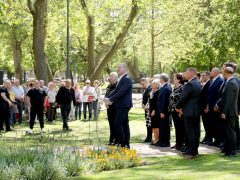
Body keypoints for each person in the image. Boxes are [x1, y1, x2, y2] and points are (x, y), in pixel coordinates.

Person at [105, 64, 133, 148]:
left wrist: (110, 99)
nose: (118, 69)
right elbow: (116, 91)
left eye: (119, 67)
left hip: (124, 105)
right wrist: (107, 98)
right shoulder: (122, 79)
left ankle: (122, 143)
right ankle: (125, 143)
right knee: (124, 124)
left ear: (124, 68)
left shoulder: (127, 78)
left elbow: (122, 91)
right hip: (120, 105)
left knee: (117, 123)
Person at [176, 68, 202, 158]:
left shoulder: (190, 84)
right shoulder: (197, 83)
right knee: (195, 131)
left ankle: (192, 151)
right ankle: (194, 150)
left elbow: (183, 98)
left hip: (189, 111)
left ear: (191, 73)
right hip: (196, 111)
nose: (184, 74)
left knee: (191, 132)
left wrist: (177, 107)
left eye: (186, 73)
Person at [216, 67, 239, 157]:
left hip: (230, 112)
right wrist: (218, 105)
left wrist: (224, 112)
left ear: (226, 72)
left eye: (222, 72)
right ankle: (228, 150)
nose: (222, 74)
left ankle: (232, 151)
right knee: (227, 132)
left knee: (231, 132)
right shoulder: (229, 82)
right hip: (228, 111)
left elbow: (229, 100)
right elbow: (224, 97)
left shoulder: (232, 83)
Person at [168, 73, 185, 150]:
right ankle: (177, 143)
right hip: (173, 110)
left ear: (178, 80)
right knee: (177, 127)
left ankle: (181, 144)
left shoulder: (182, 88)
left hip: (179, 111)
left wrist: (180, 110)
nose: (173, 80)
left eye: (175, 78)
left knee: (180, 127)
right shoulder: (174, 88)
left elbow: (182, 100)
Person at [208, 68, 224, 146]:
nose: (210, 73)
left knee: (218, 124)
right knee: (213, 124)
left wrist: (217, 105)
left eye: (211, 71)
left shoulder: (220, 80)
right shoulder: (213, 80)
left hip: (216, 106)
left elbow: (219, 95)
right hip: (211, 106)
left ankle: (220, 141)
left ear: (215, 72)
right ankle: (216, 140)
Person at [157, 73, 172, 147]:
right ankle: (161, 140)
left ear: (162, 79)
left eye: (160, 78)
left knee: (165, 127)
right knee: (161, 126)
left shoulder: (166, 88)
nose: (159, 79)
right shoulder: (163, 87)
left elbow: (165, 101)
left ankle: (166, 142)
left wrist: (162, 112)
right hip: (161, 111)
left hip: (164, 111)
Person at [105, 72, 118, 145]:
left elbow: (117, 96)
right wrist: (105, 102)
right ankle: (111, 139)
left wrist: (111, 102)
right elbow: (107, 95)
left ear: (115, 77)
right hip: (109, 108)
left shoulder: (117, 85)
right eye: (109, 76)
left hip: (115, 107)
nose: (109, 77)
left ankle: (116, 139)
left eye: (111, 76)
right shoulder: (109, 86)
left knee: (115, 124)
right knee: (111, 124)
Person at [200, 71, 211, 144]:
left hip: (206, 107)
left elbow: (208, 96)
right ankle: (207, 137)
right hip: (203, 107)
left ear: (207, 75)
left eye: (203, 75)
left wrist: (207, 106)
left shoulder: (209, 83)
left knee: (207, 123)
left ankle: (209, 138)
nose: (202, 76)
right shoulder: (205, 83)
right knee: (205, 123)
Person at [140, 78, 152, 143]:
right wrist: (142, 104)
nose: (142, 85)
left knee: (149, 124)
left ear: (146, 82)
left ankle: (149, 137)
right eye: (141, 84)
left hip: (149, 109)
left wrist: (146, 106)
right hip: (146, 109)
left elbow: (149, 99)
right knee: (147, 123)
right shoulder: (145, 89)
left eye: (143, 84)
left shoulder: (150, 88)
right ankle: (148, 137)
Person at [148, 79, 160, 145]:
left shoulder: (158, 92)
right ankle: (155, 138)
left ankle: (157, 139)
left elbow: (157, 103)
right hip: (151, 110)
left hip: (156, 111)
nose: (151, 85)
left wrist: (154, 111)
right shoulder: (152, 91)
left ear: (156, 85)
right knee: (153, 125)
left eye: (153, 84)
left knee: (156, 125)